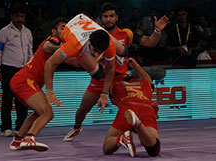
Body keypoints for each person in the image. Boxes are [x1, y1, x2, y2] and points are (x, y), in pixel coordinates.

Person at [63, 2, 169, 142]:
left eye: (111, 16)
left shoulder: (127, 33)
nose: (109, 19)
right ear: (101, 18)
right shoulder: (95, 34)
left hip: (120, 79)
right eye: (105, 16)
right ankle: (77, 127)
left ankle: (141, 132)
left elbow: (150, 43)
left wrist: (157, 31)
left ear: (117, 17)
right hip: (100, 79)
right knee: (83, 109)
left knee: (130, 107)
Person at [9, 18, 68, 151]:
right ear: (54, 31)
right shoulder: (54, 41)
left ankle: (17, 141)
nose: (65, 30)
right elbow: (48, 46)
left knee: (38, 112)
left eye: (67, 28)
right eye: (62, 27)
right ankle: (29, 138)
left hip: (27, 81)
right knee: (48, 113)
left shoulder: (64, 47)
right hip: (25, 80)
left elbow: (74, 60)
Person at [44, 13, 127, 109]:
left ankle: (109, 57)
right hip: (75, 31)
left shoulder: (108, 45)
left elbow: (111, 68)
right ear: (89, 42)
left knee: (124, 51)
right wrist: (49, 91)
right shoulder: (74, 46)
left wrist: (104, 93)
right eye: (94, 50)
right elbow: (49, 63)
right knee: (98, 74)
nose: (96, 54)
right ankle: (58, 47)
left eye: (100, 52)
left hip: (89, 24)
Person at [103, 57, 160, 157]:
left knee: (107, 147)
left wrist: (109, 63)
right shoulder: (145, 84)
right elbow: (148, 79)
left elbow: (107, 76)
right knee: (154, 150)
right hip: (146, 108)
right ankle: (138, 125)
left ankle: (121, 139)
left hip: (127, 109)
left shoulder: (116, 85)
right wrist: (136, 66)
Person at [0, 4, 33, 137]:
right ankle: (6, 127)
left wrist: (31, 68)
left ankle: (21, 126)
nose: (19, 18)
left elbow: (30, 52)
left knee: (22, 99)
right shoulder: (4, 32)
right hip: (7, 69)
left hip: (23, 70)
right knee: (8, 98)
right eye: (17, 16)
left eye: (22, 16)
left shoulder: (27, 32)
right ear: (12, 17)